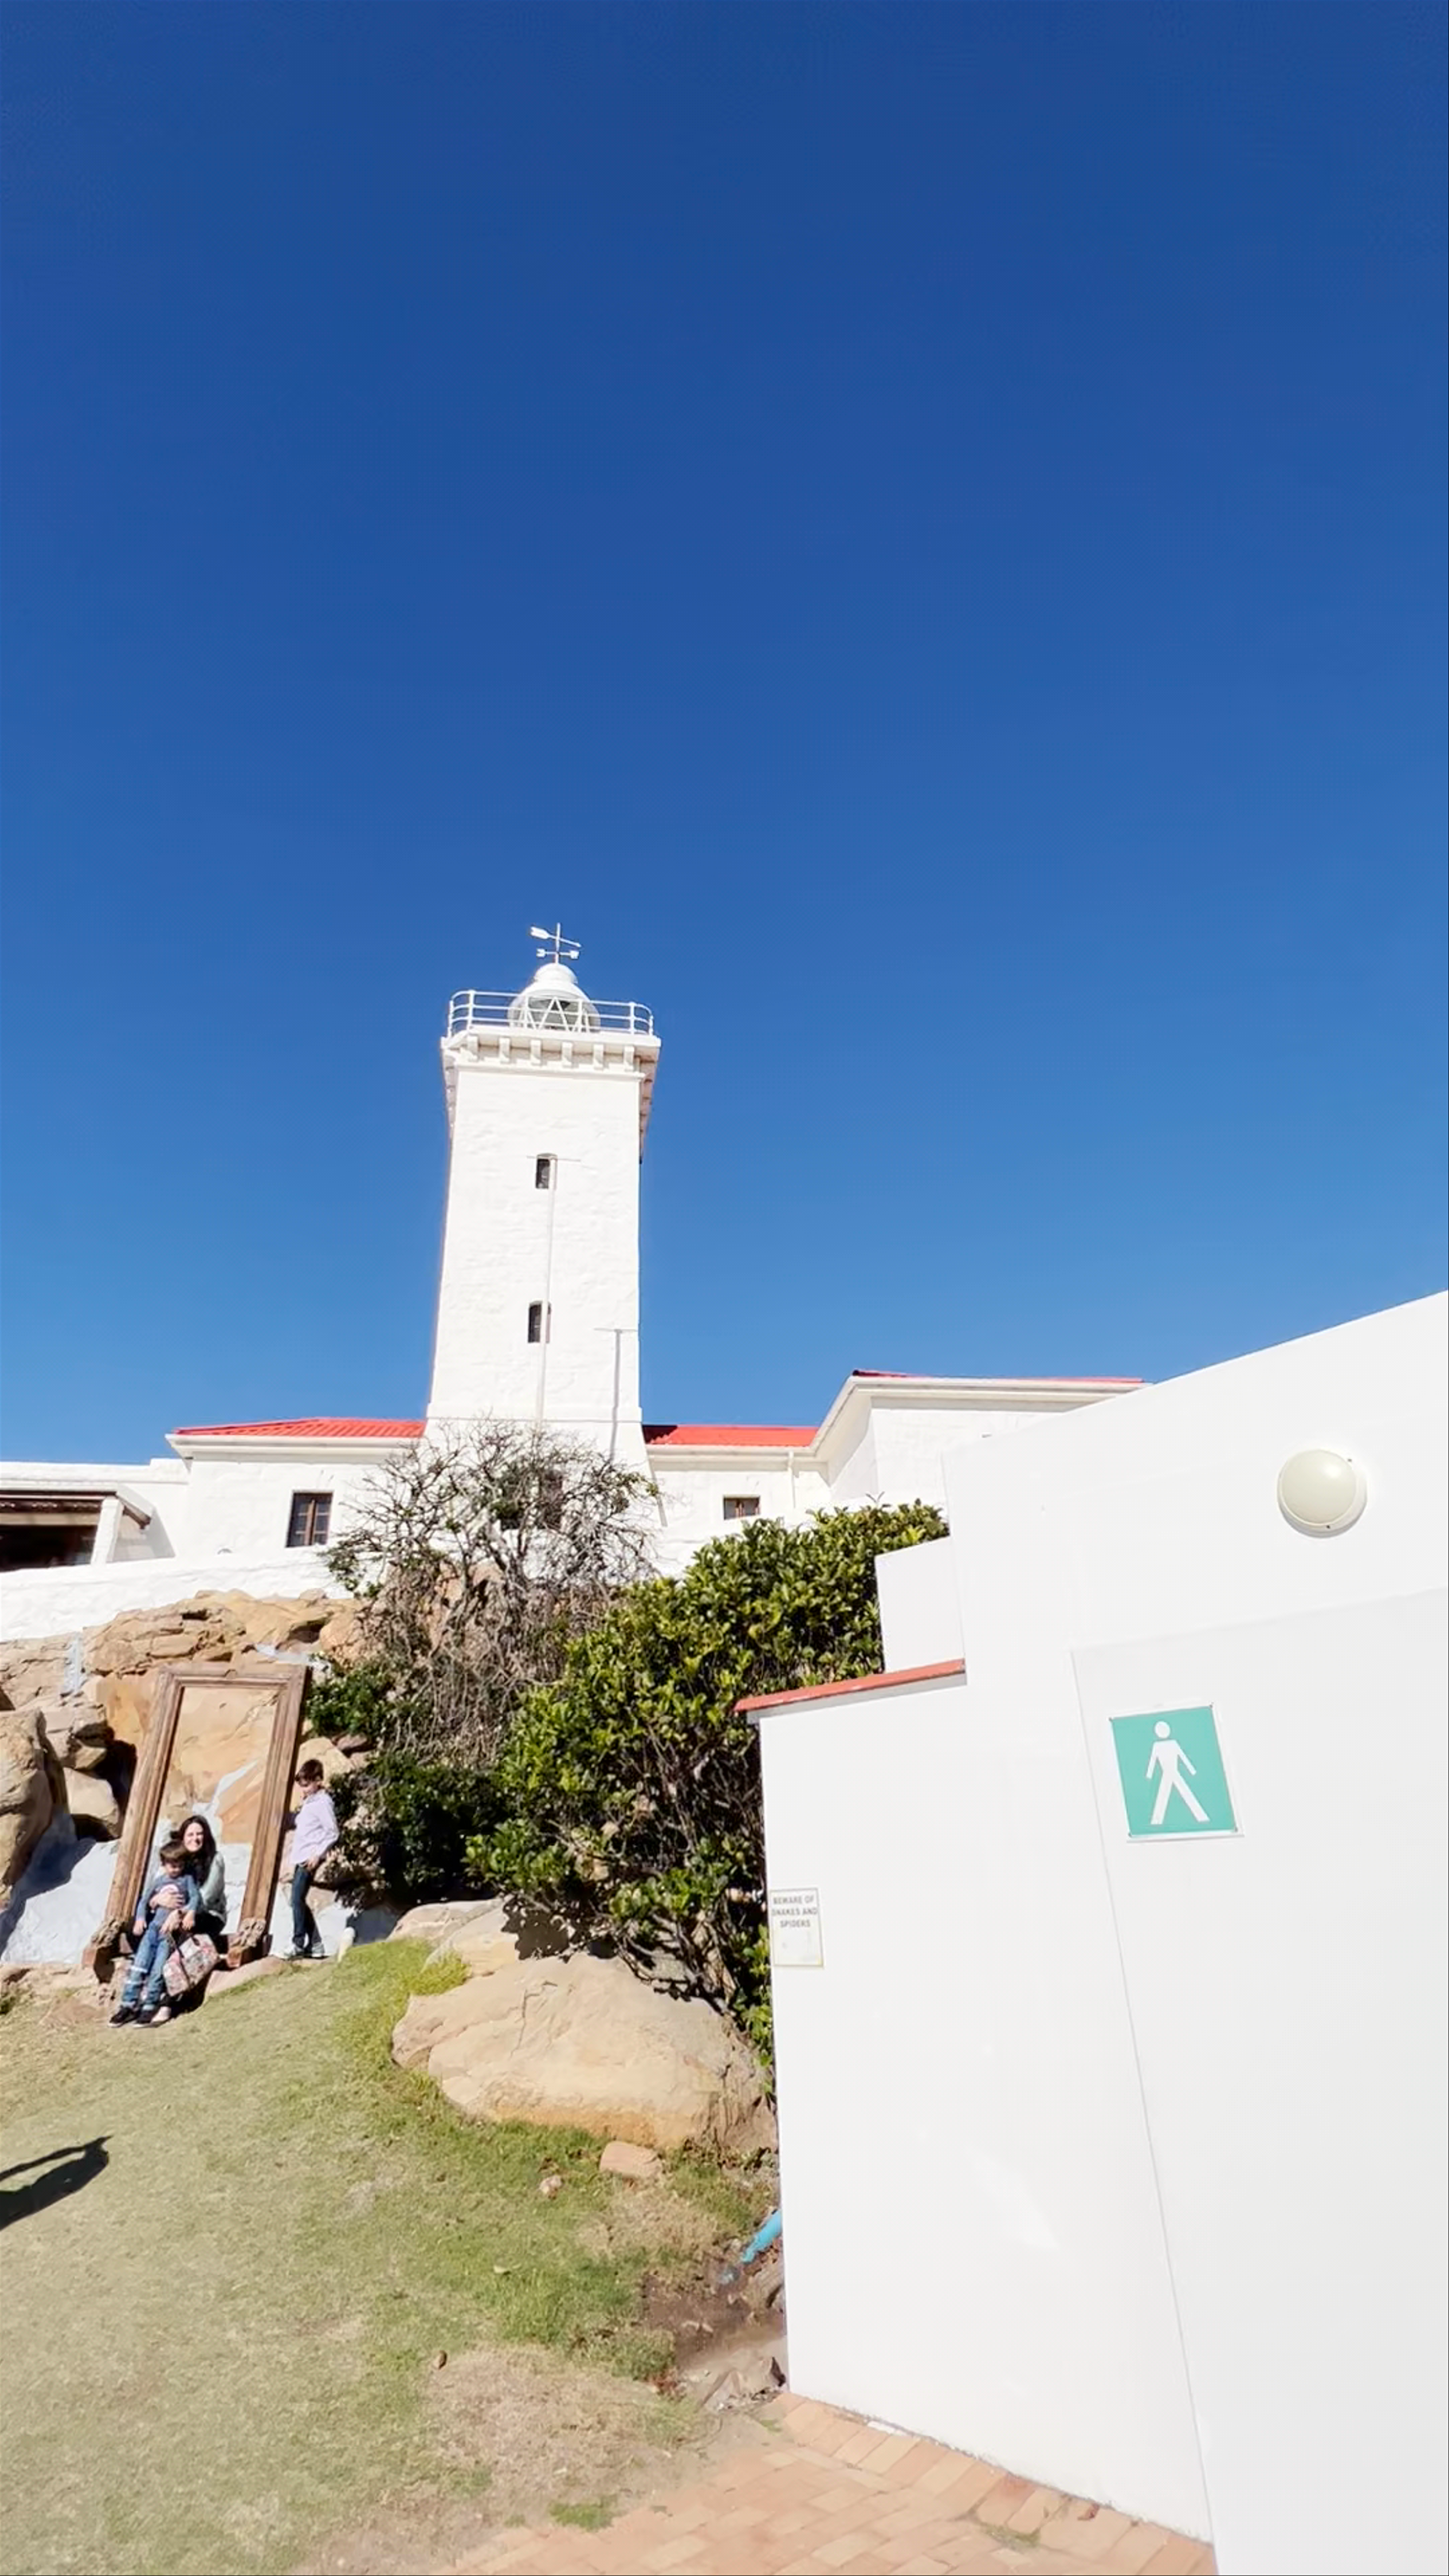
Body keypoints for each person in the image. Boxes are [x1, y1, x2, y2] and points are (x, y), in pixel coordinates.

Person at [109, 1839, 200, 2027]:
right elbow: (144, 1900)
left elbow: (196, 1898)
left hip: (169, 1934)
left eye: (180, 1865)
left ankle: (149, 2006)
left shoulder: (187, 1880)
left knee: (158, 1970)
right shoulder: (159, 1882)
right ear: (164, 1864)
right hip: (152, 1931)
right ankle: (128, 2006)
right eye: (172, 1866)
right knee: (139, 1966)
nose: (176, 1869)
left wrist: (189, 1913)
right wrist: (141, 1918)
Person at [288, 1758, 338, 1961]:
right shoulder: (310, 1801)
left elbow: (332, 1832)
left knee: (297, 1900)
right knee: (298, 1901)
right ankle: (315, 1943)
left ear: (318, 1780)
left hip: (309, 1859)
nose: (305, 1789)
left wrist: (318, 1853)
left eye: (308, 1785)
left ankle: (298, 1943)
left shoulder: (323, 1803)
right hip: (301, 1857)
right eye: (303, 1785)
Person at [177, 1813, 228, 1949]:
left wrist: (179, 1913)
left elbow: (207, 1898)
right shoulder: (176, 1860)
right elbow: (160, 1885)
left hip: (208, 1915)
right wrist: (160, 1899)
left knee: (182, 1927)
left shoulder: (216, 1860)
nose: (195, 1839)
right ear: (183, 1838)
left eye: (199, 1834)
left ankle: (174, 1967)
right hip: (179, 1913)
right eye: (190, 1835)